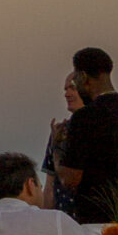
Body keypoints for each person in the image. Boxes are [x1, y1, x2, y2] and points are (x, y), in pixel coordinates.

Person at [55, 47, 118, 225]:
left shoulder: (83, 118)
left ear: (83, 76)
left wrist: (56, 149)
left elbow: (70, 179)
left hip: (95, 223)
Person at [41, 75, 85, 216]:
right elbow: (50, 185)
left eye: (72, 88)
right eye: (65, 89)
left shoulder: (103, 129)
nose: (67, 94)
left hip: (96, 220)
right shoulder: (60, 132)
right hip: (64, 217)